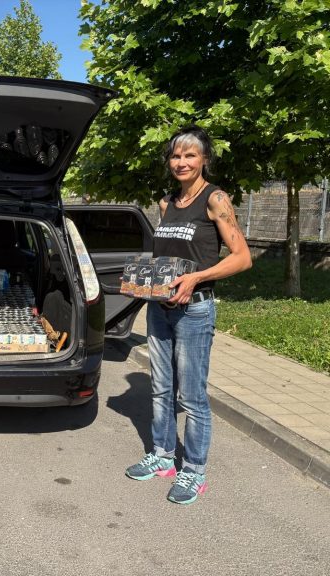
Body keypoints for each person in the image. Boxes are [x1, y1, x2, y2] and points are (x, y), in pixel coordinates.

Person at [125, 125, 252, 504]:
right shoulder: (167, 203)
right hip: (160, 309)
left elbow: (242, 258)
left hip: (195, 310)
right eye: (175, 156)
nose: (181, 162)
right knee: (161, 388)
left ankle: (194, 471)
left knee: (192, 396)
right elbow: (166, 257)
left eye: (190, 155)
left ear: (204, 159)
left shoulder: (215, 199)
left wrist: (196, 277)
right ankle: (163, 456)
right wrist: (145, 281)